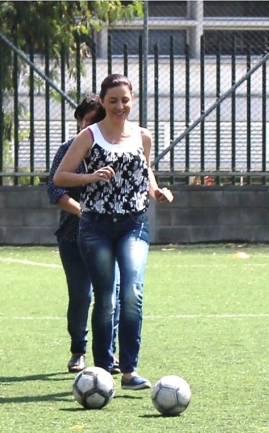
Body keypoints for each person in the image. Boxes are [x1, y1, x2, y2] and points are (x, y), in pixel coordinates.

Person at [54, 74, 174, 390]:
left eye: (125, 100)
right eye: (113, 100)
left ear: (132, 100)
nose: (120, 106)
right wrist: (91, 177)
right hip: (95, 226)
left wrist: (157, 190)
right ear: (104, 102)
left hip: (134, 224)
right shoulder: (89, 136)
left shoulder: (143, 136)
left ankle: (130, 371)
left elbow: (144, 171)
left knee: (132, 293)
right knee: (106, 298)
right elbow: (60, 177)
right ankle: (103, 370)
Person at [47, 95, 121, 374]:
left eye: (95, 119)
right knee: (81, 295)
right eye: (86, 119)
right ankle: (78, 348)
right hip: (72, 234)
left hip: (108, 234)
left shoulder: (115, 148)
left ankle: (108, 353)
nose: (89, 125)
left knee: (109, 295)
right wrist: (83, 212)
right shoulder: (69, 149)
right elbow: (56, 191)